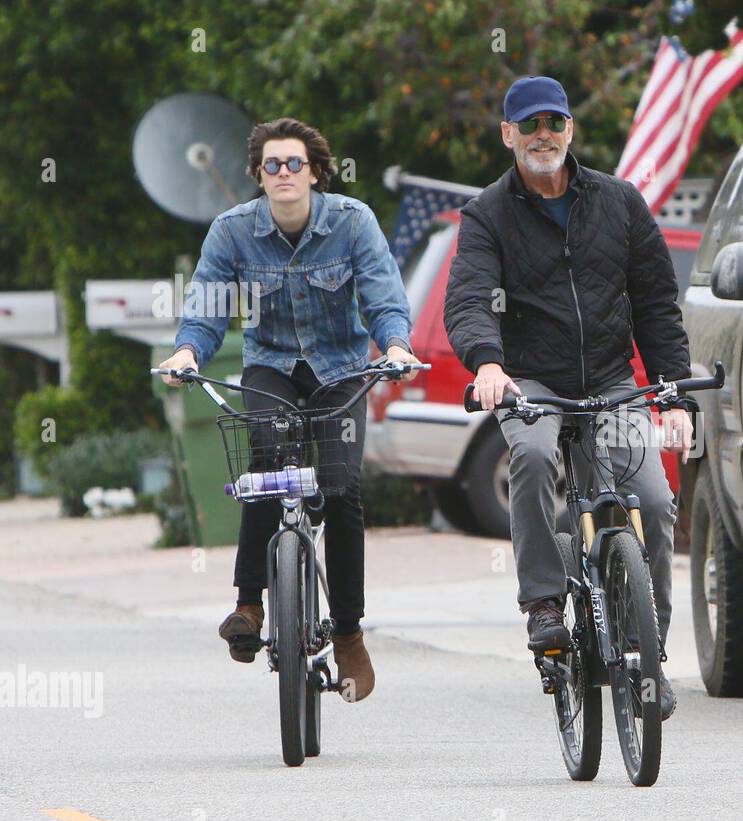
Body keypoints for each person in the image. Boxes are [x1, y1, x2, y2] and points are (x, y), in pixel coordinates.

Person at [444, 75, 694, 719]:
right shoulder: (487, 215)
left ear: (570, 129)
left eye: (553, 123)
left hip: (611, 381)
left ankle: (647, 655)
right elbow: (469, 300)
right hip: (531, 379)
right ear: (508, 135)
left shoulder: (620, 202)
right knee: (528, 456)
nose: (542, 136)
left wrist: (674, 397)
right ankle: (544, 606)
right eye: (528, 126)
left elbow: (657, 306)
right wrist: (489, 365)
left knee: (655, 502)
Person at [156, 117, 418, 702]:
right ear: (258, 175)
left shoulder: (353, 223)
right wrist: (186, 353)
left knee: (342, 488)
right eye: (271, 165)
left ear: (315, 172)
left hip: (341, 369)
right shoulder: (232, 231)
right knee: (265, 473)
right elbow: (206, 305)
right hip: (271, 365)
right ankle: (249, 604)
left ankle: (348, 632)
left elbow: (383, 297)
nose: (283, 174)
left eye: (294, 164)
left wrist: (396, 345)